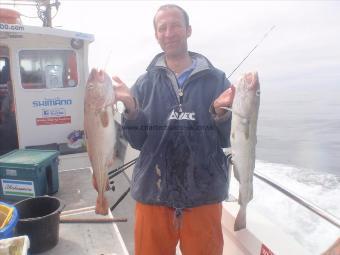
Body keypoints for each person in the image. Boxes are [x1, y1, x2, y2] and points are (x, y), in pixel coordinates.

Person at [113, 4, 235, 255]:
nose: (169, 33)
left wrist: (222, 115)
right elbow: (137, 142)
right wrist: (131, 110)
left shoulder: (217, 80)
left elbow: (227, 139)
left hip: (204, 194)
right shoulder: (144, 83)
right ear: (157, 35)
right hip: (153, 193)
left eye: (176, 25)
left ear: (188, 30)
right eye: (162, 28)